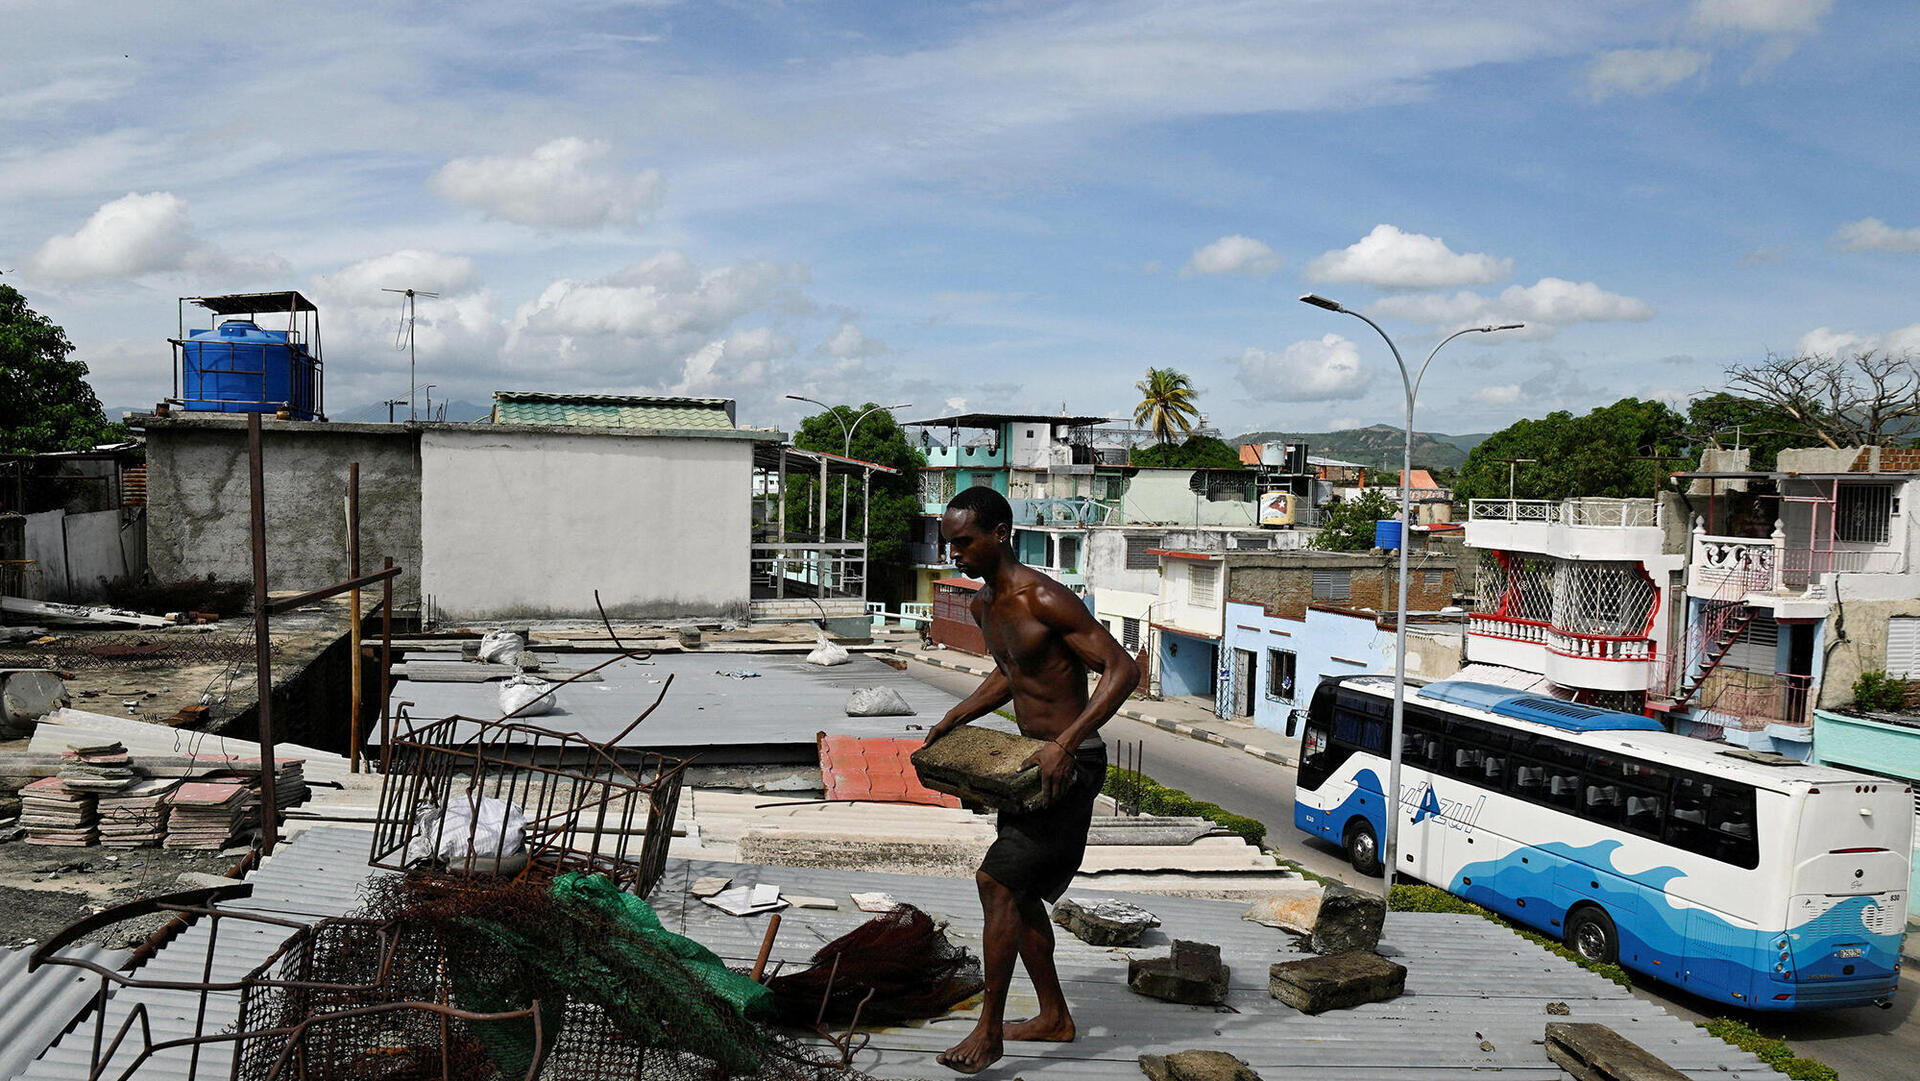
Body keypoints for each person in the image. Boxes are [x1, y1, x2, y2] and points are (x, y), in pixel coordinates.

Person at [923, 486, 1140, 1074]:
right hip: (1027, 769)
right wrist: (955, 716)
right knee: (1016, 893)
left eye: (965, 542)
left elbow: (1123, 669)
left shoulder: (1043, 597)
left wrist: (1065, 743)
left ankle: (989, 1032)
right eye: (949, 545)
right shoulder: (982, 606)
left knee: (996, 882)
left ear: (999, 534)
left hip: (1071, 765)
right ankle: (1053, 1018)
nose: (956, 555)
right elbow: (1012, 673)